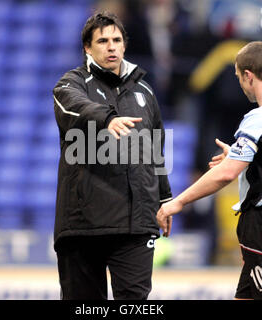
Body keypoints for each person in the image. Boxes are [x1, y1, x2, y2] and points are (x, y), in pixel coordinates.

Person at [157, 41, 262, 300]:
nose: (240, 84)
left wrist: (178, 202)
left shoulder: (260, 117)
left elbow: (226, 174)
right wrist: (245, 159)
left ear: (249, 75)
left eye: (239, 77)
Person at [53, 11, 172, 300]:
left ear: (125, 45)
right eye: (103, 41)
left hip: (136, 223)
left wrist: (165, 199)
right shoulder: (71, 84)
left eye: (117, 40)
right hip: (83, 224)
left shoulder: (144, 91)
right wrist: (107, 119)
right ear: (87, 48)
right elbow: (74, 106)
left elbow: (155, 150)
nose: (111, 46)